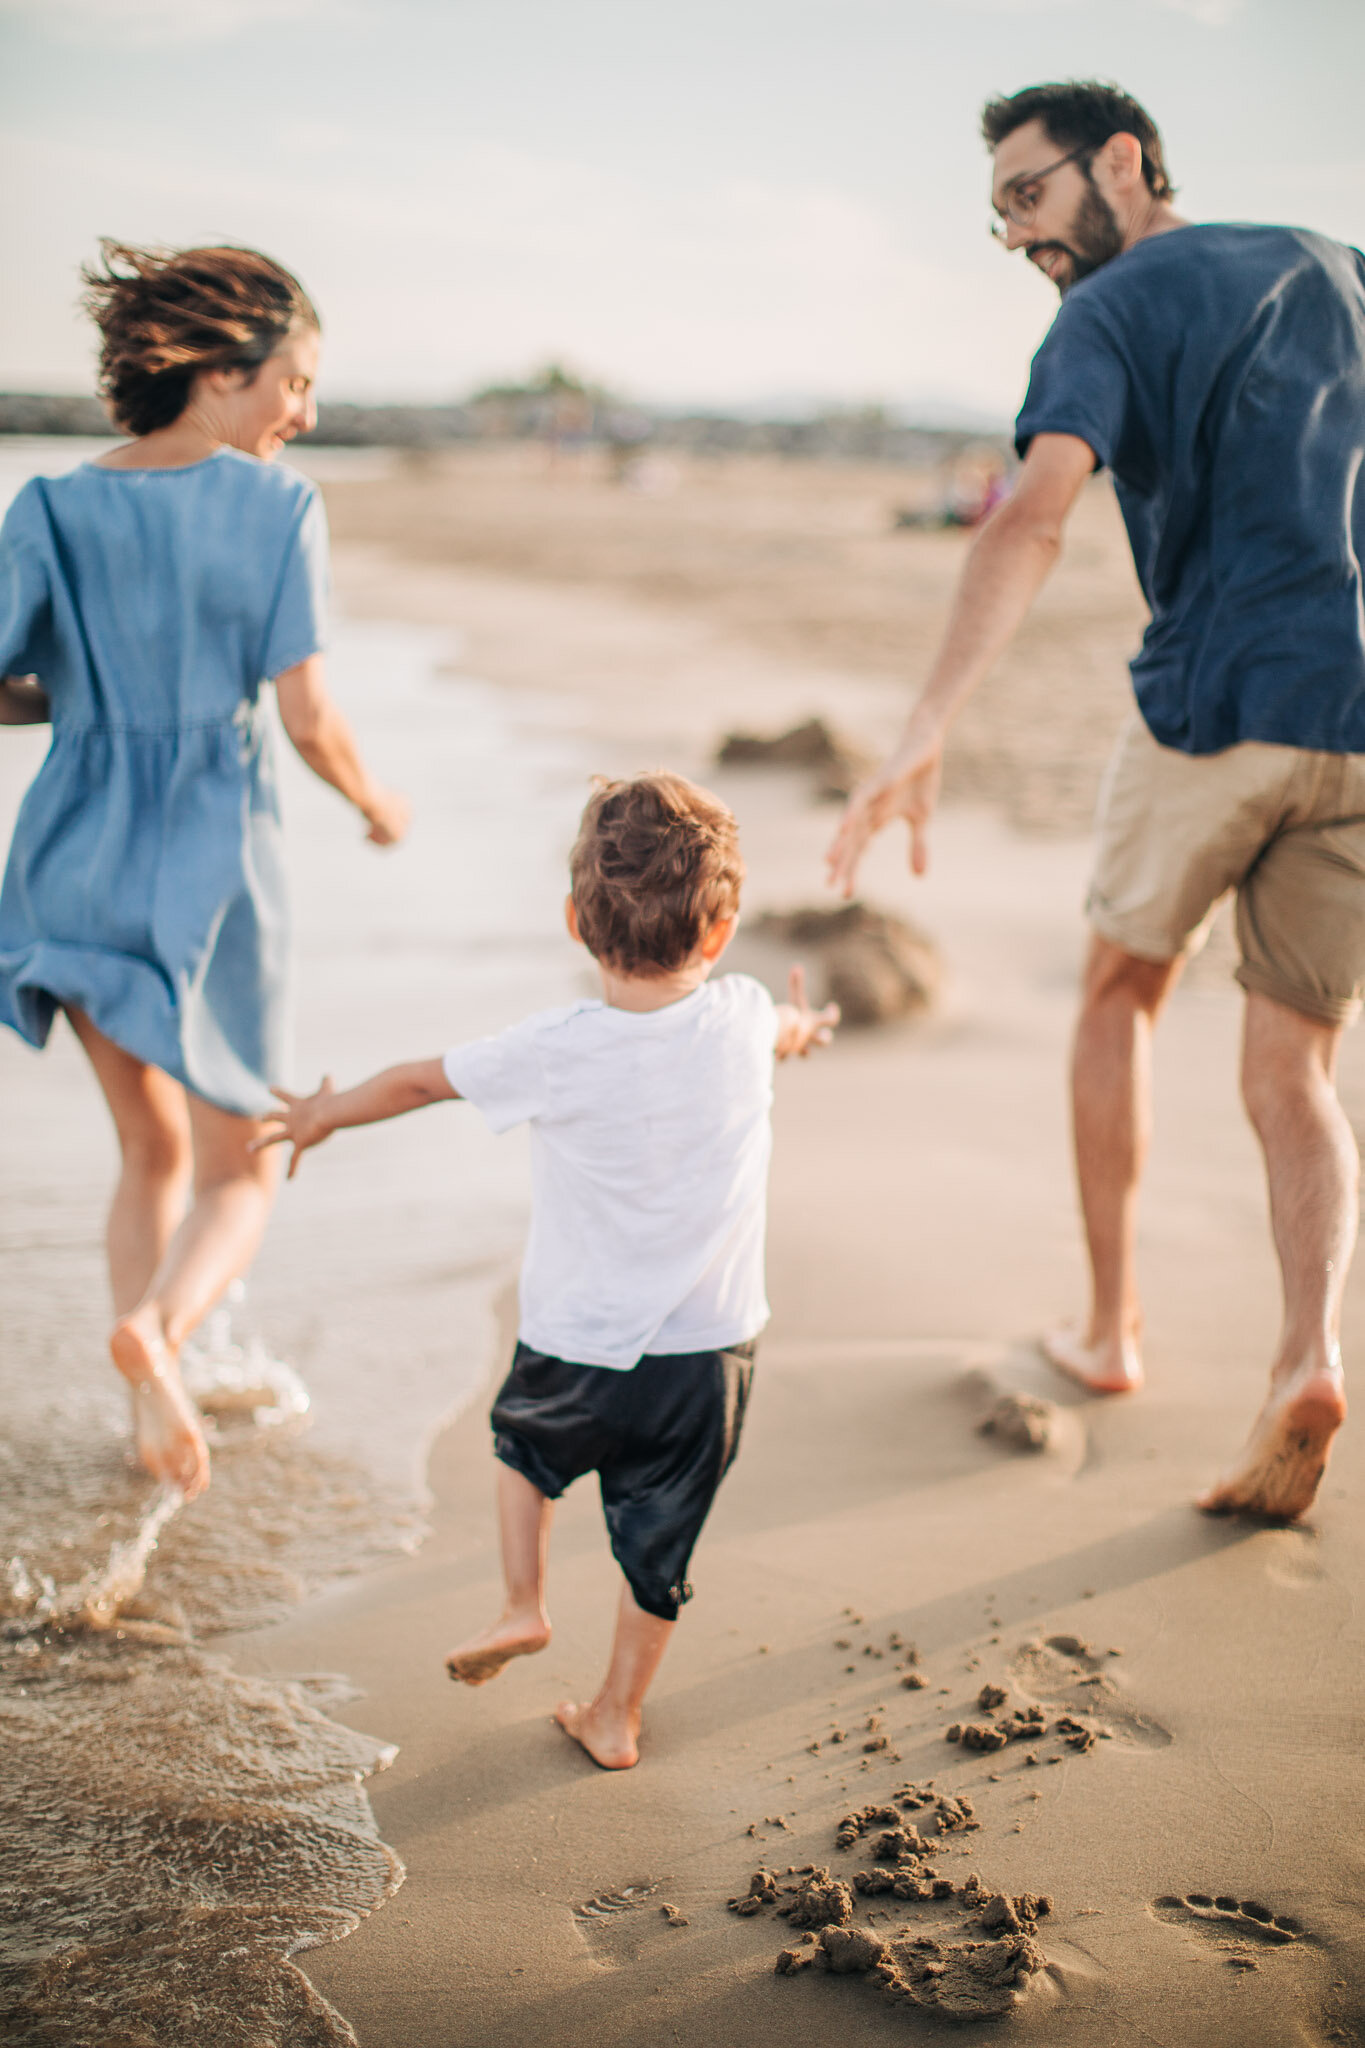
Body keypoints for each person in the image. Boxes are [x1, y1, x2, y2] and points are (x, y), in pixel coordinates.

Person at [828, 81, 1365, 1522]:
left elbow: (1035, 512)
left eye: (1026, 193)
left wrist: (924, 726)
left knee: (1119, 992)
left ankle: (1113, 1329)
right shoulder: (1338, 266)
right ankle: (1305, 1355)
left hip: (1211, 708)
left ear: (1119, 162)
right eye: (997, 207)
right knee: (1293, 1066)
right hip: (1362, 721)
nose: (1013, 234)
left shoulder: (1106, 314)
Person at [256, 771, 839, 1767]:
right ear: (721, 930)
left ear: (575, 922)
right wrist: (805, 1029)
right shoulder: (743, 1018)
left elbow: (417, 1080)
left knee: (524, 1453)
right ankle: (616, 1712)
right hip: (707, 1356)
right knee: (660, 1553)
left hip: (576, 1338)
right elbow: (781, 1030)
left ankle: (523, 1602)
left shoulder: (554, 1047)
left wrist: (318, 1113)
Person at [0, 241, 410, 1501]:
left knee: (152, 1152)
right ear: (226, 370)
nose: (307, 412)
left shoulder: (50, 503)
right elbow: (308, 718)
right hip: (211, 871)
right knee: (255, 1156)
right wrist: (377, 801)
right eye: (296, 381)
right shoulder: (276, 505)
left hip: (67, 861)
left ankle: (145, 1404)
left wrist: (89, 692)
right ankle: (161, 1335)